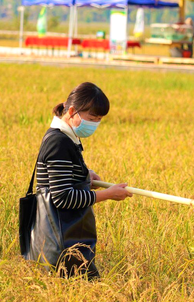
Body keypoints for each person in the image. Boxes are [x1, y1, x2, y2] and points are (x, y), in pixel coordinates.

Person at [24, 82, 132, 278]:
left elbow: (59, 177)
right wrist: (107, 194)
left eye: (99, 120)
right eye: (92, 118)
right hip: (62, 241)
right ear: (72, 111)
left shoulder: (67, 136)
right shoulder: (59, 142)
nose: (95, 124)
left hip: (69, 237)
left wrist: (83, 174)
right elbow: (63, 198)